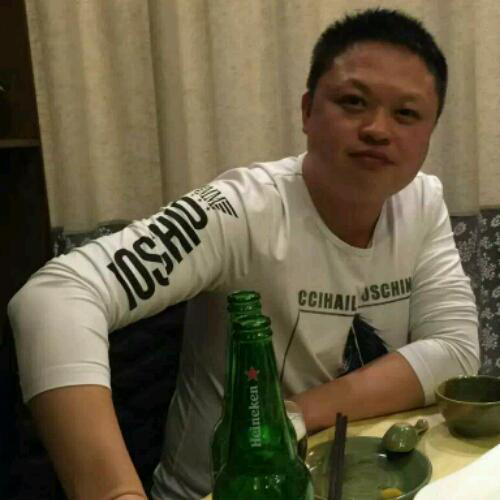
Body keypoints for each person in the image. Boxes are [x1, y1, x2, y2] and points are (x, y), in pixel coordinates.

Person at [8, 8, 479, 500]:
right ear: (307, 112)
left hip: (350, 479)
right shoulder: (240, 209)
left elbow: (456, 349)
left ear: (430, 133)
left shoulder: (422, 202)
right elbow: (55, 295)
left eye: (406, 114)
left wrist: (294, 414)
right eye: (353, 102)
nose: (378, 129)